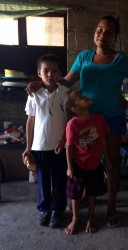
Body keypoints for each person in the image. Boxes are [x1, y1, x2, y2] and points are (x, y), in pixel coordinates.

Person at [26, 15, 128, 227]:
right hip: (84, 119)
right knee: (82, 159)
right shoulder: (84, 57)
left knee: (111, 163)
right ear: (95, 32)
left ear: (114, 37)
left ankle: (110, 207)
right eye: (99, 30)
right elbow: (65, 81)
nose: (102, 35)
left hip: (110, 117)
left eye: (108, 32)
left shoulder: (121, 60)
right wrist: (42, 82)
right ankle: (81, 196)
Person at [22, 54, 69, 228]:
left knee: (59, 179)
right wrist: (28, 147)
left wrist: (64, 141)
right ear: (39, 73)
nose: (50, 74)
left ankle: (57, 209)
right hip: (39, 146)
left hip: (59, 146)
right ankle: (44, 209)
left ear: (60, 73)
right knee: (42, 179)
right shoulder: (34, 94)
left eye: (54, 71)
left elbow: (69, 120)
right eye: (46, 70)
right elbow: (30, 121)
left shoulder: (65, 93)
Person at [63, 90, 111, 234]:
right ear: (75, 109)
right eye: (80, 98)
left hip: (95, 165)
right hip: (78, 165)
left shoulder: (99, 119)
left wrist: (107, 159)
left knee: (92, 193)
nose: (84, 97)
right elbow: (69, 146)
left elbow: (103, 140)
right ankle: (75, 219)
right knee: (75, 194)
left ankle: (91, 218)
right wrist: (69, 167)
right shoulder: (73, 124)